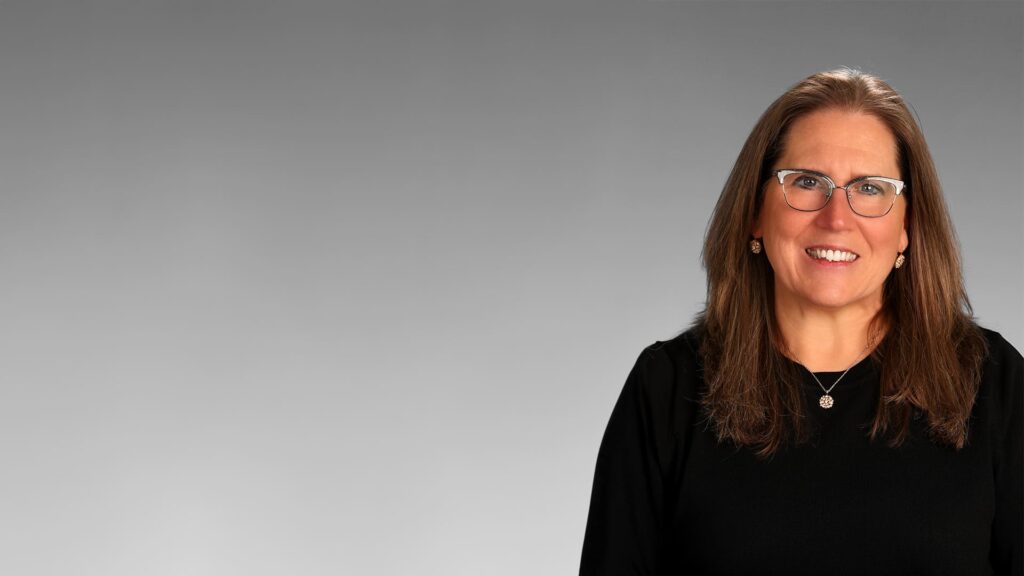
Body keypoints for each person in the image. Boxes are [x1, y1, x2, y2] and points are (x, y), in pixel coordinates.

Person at [579, 69, 1023, 575]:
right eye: (807, 182)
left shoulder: (994, 384)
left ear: (907, 228)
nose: (837, 218)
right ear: (754, 211)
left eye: (871, 188)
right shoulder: (666, 389)